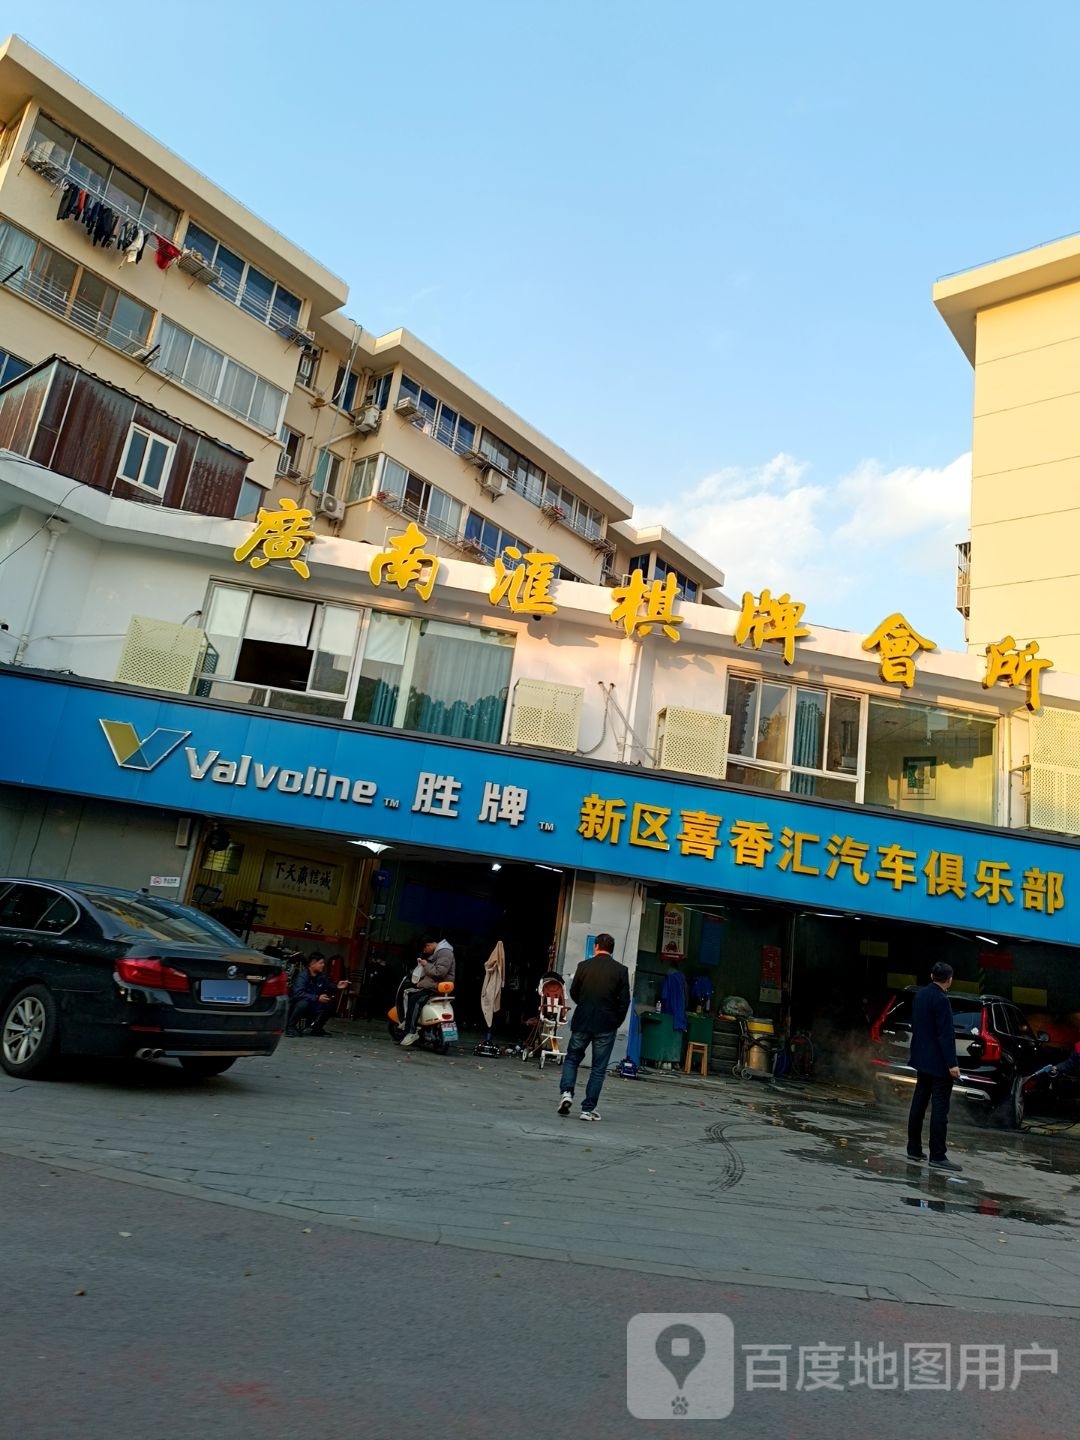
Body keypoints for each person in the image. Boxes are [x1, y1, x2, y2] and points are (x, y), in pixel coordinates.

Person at [557, 933, 630, 1121]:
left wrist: (584, 1006)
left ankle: (567, 1093)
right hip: (606, 1025)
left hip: (582, 1021)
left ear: (596, 946)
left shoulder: (583, 966)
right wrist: (615, 1021)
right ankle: (587, 1109)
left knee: (572, 1058)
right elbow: (624, 1002)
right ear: (612, 949)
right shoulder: (621, 971)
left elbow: (574, 992)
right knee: (598, 1068)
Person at [906, 961, 962, 1170]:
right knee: (940, 1109)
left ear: (931, 976)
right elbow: (945, 1034)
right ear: (949, 980)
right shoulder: (942, 1000)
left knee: (918, 1103)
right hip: (939, 1064)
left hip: (922, 1059)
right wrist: (952, 1064)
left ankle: (913, 1148)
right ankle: (938, 1155)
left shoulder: (920, 995)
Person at [400, 934, 455, 1047]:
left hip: (436, 987)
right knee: (411, 994)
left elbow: (439, 973)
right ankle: (412, 1022)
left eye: (424, 949)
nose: (425, 951)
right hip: (436, 986)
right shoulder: (440, 952)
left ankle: (411, 1032)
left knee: (414, 999)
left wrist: (426, 965)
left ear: (428, 945)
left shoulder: (444, 952)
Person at [286, 954, 346, 1037]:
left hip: (314, 1004)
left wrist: (337, 987)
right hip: (299, 1004)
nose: (323, 965)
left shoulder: (321, 977)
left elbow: (329, 987)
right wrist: (317, 998)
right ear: (312, 964)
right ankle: (290, 1027)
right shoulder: (302, 976)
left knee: (331, 1003)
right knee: (303, 1003)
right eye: (321, 963)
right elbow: (298, 993)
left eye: (323, 963)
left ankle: (317, 1028)